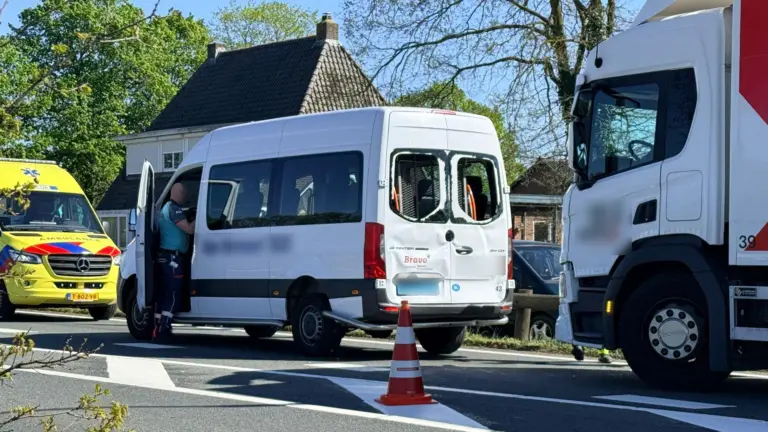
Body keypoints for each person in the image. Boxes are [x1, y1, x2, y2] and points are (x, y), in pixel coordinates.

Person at [153, 182, 194, 343]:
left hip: (166, 257)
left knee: (163, 294)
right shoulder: (173, 209)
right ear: (180, 193)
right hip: (173, 259)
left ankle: (157, 326)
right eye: (185, 194)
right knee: (173, 294)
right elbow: (189, 229)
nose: (186, 197)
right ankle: (164, 327)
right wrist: (198, 217)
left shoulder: (165, 208)